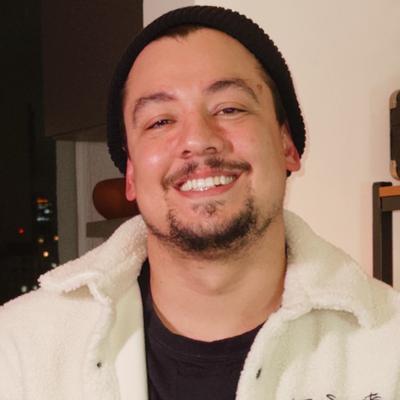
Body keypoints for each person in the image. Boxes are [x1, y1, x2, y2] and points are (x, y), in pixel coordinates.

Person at [1, 5, 400, 400]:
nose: (198, 139)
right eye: (160, 121)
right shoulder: (19, 352)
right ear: (131, 175)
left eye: (230, 109)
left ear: (287, 146)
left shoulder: (389, 349)